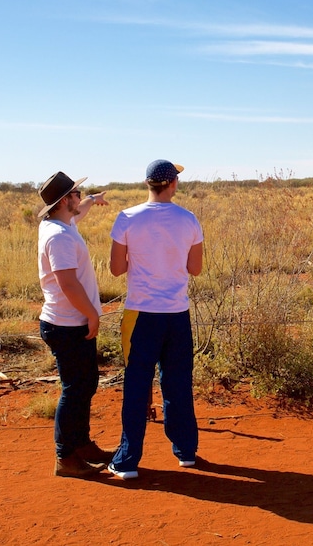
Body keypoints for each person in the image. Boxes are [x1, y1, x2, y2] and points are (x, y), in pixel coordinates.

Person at [107, 159, 203, 480]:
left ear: (147, 183)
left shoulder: (127, 218)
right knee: (178, 383)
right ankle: (186, 451)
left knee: (136, 384)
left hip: (141, 315)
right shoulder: (189, 220)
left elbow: (116, 269)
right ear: (173, 184)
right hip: (176, 314)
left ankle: (128, 460)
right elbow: (195, 268)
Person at [36, 171, 115, 478]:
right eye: (76, 194)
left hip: (71, 321)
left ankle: (81, 445)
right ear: (63, 201)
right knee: (75, 389)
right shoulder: (58, 237)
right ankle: (65, 456)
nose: (79, 198)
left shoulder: (60, 224)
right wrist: (92, 314)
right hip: (67, 324)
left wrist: (93, 200)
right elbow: (67, 283)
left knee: (85, 384)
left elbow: (78, 213)